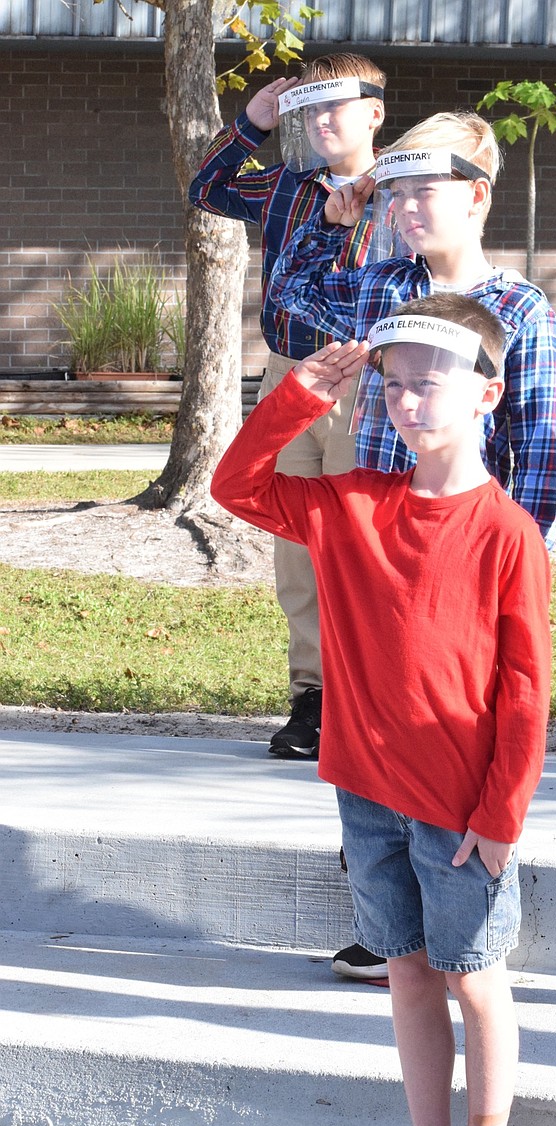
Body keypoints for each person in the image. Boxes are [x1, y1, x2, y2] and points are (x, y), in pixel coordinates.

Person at [211, 294, 552, 1126]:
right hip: (366, 793)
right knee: (405, 971)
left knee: (474, 976)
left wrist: (501, 815)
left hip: (465, 810)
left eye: (427, 382)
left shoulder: (505, 533)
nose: (405, 401)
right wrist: (293, 401)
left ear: (487, 393)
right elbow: (235, 489)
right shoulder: (350, 503)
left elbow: (526, 688)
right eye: (392, 385)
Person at [269, 110, 556, 981]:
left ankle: (469, 912)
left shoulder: (518, 308)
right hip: (380, 555)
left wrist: (511, 569)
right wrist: (333, 219)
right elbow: (292, 290)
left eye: (420, 190)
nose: (401, 208)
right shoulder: (381, 285)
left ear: (476, 197)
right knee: (374, 723)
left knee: (466, 728)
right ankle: (384, 921)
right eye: (392, 193)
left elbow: (534, 457)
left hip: (470, 560)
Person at [189, 53, 386, 760]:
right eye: (312, 107)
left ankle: (370, 697)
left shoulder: (402, 190)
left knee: (362, 540)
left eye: (339, 104)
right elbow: (204, 188)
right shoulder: (283, 186)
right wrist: (250, 123)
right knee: (297, 545)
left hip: (369, 377)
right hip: (289, 374)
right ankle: (313, 698)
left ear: (374, 112)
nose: (324, 119)